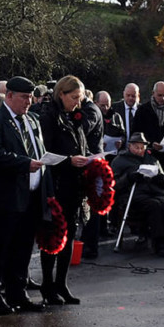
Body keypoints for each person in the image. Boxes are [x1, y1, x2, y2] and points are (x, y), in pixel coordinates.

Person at [0, 77, 49, 314]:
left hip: (30, 195)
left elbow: (39, 150)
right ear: (9, 96)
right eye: (24, 97)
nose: (28, 102)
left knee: (22, 248)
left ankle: (18, 293)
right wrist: (23, 163)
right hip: (5, 196)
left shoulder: (32, 120)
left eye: (30, 97)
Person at [37, 75, 99, 303]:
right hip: (57, 184)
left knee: (71, 233)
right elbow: (45, 152)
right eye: (74, 98)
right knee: (53, 236)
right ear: (61, 94)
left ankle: (61, 283)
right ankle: (47, 285)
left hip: (75, 184)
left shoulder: (74, 117)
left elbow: (81, 145)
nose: (77, 103)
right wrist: (69, 160)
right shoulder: (49, 117)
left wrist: (90, 159)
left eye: (80, 98)